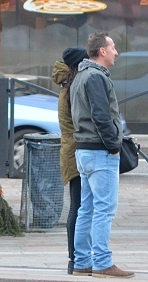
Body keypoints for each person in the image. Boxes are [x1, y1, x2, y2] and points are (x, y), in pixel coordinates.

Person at [69, 32, 134, 278]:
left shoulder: (80, 75)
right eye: (113, 47)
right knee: (104, 209)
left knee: (86, 208)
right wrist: (113, 145)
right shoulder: (96, 77)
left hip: (84, 150)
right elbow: (101, 115)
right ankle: (103, 263)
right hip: (99, 151)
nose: (116, 52)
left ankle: (82, 261)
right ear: (102, 51)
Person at [52, 46, 88, 275]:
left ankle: (76, 257)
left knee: (79, 205)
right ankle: (74, 258)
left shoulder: (68, 88)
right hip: (75, 152)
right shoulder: (72, 90)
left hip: (71, 151)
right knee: (78, 206)